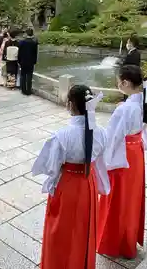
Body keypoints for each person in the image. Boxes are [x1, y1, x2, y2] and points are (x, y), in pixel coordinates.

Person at [32, 85, 109, 269]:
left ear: (70, 104)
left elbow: (51, 168)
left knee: (60, 230)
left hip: (67, 185)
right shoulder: (101, 133)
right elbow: (101, 163)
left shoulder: (62, 135)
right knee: (84, 229)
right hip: (88, 184)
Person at [96, 65, 147, 259]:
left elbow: (112, 138)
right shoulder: (142, 103)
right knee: (131, 198)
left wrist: (102, 160)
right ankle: (127, 240)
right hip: (135, 154)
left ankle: (114, 242)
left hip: (123, 157)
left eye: (118, 80)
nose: (117, 83)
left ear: (125, 83)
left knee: (117, 199)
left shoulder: (125, 109)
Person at [18, 28, 38, 95]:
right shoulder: (34, 43)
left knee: (23, 75)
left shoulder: (21, 42)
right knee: (29, 76)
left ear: (26, 34)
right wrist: (34, 61)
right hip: (31, 62)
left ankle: (23, 90)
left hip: (23, 61)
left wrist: (19, 61)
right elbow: (35, 54)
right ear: (32, 34)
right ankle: (29, 90)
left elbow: (19, 53)